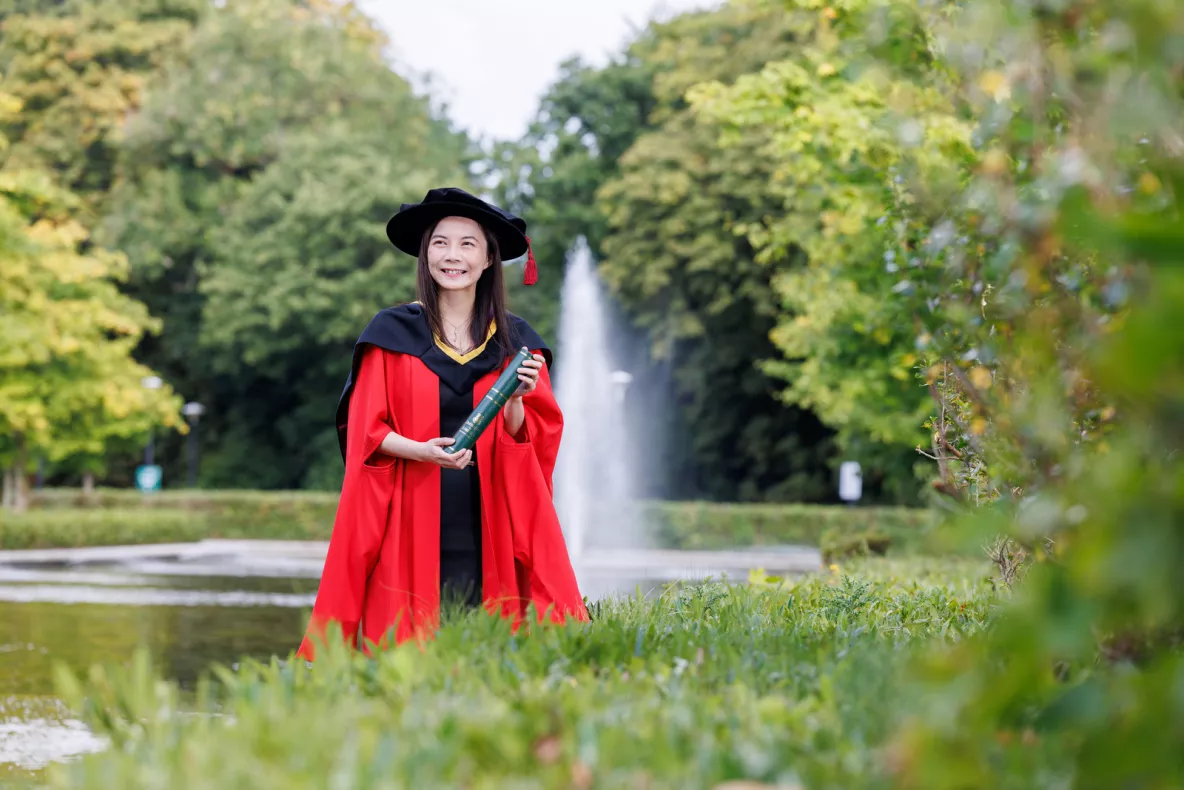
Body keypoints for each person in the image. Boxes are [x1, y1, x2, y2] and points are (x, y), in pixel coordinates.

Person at [296, 187, 588, 660]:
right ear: (424, 253)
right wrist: (422, 451)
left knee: (486, 651)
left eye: (468, 244)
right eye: (440, 242)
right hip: (410, 517)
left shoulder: (518, 345)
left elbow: (531, 445)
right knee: (407, 651)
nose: (453, 256)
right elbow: (364, 431)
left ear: (491, 258)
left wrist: (516, 398)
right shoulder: (390, 336)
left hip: (491, 517)